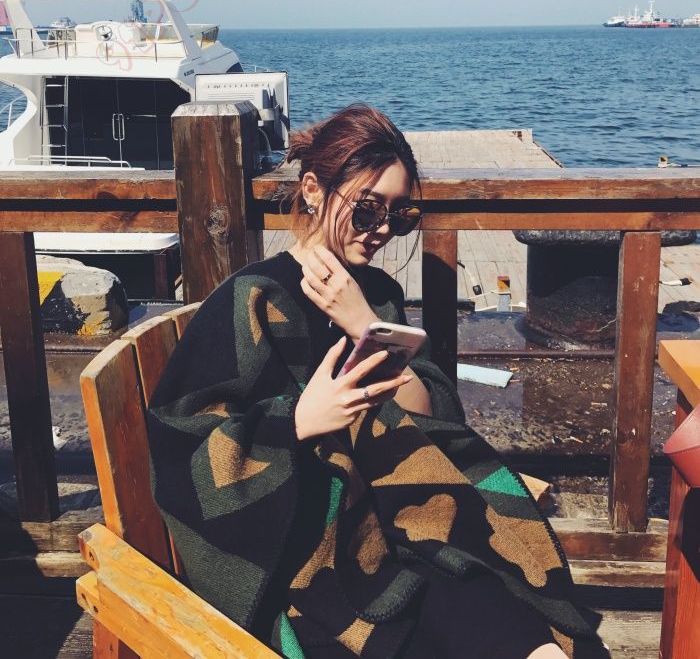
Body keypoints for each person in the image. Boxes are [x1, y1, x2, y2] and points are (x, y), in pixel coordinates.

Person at [147, 104, 608, 659]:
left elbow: (431, 418)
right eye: (367, 210)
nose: (383, 230)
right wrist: (297, 423)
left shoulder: (377, 296)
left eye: (400, 214)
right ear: (313, 190)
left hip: (402, 519)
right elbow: (181, 449)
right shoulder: (253, 301)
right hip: (308, 552)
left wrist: (362, 322)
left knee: (524, 626)